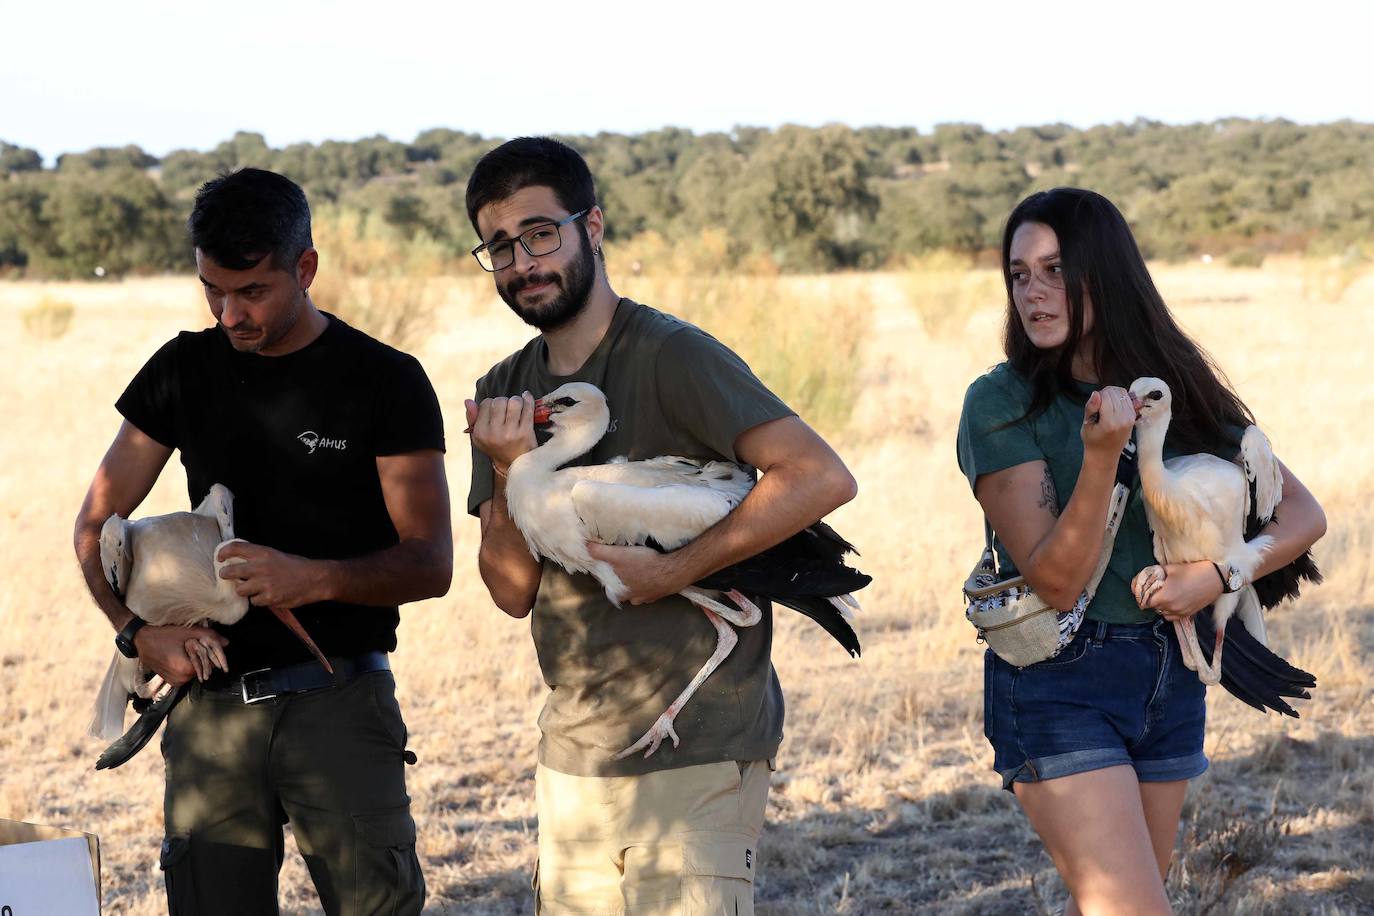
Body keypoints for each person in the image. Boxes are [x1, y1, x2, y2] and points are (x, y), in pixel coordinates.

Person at [463, 137, 857, 914]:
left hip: (698, 751)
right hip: (575, 753)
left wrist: (673, 571)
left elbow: (820, 477)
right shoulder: (505, 392)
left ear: (593, 226)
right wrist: (509, 467)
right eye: (501, 246)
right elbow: (511, 592)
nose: (523, 262)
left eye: (541, 233)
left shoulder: (673, 356)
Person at [72, 167, 451, 915]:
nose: (229, 314)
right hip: (209, 716)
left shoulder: (385, 380)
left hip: (340, 702)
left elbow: (430, 562)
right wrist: (134, 635)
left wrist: (311, 578)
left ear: (305, 268)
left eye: (252, 292)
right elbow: (93, 525)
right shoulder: (182, 369)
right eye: (212, 290)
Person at [957, 187, 1327, 914]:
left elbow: (1303, 516)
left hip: (1170, 673)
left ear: (1105, 274)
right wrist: (1102, 457)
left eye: (1055, 270)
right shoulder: (1001, 403)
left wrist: (1217, 575)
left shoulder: (1170, 390)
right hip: (1060, 681)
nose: (1033, 291)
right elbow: (1058, 581)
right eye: (1019, 274)